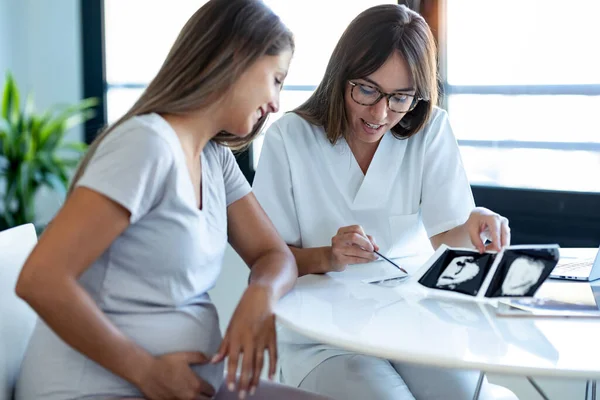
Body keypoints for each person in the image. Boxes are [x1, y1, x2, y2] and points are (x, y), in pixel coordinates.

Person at [14, 1, 297, 399]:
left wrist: (260, 295)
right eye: (277, 79)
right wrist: (145, 371)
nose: (276, 103)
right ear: (237, 58)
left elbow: (275, 255)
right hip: (99, 387)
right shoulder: (147, 145)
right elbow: (40, 280)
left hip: (189, 385)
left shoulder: (214, 158)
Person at [253, 4, 511, 400]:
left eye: (400, 97)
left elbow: (449, 235)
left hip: (415, 322)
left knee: (464, 394)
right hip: (323, 334)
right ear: (341, 76)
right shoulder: (289, 138)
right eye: (367, 90)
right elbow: (269, 257)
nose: (380, 112)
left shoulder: (430, 128)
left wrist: (475, 223)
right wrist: (329, 256)